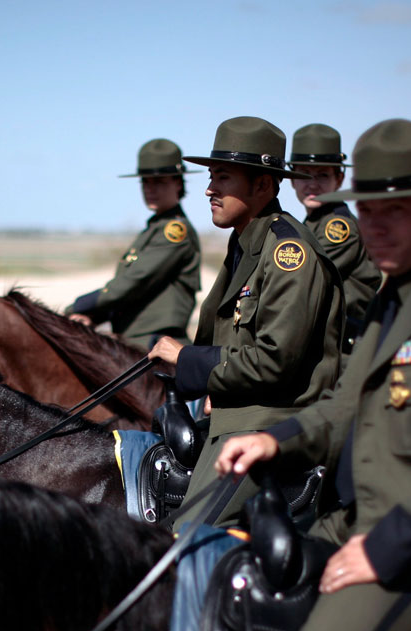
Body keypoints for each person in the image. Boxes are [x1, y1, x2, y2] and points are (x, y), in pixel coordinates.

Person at [213, 118, 411, 631]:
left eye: (396, 211)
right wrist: (274, 439)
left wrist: (383, 548)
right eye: (368, 211)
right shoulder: (393, 301)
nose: (376, 227)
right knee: (242, 590)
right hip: (357, 517)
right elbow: (343, 408)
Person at [146, 117, 344, 529]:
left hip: (273, 422)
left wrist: (187, 359)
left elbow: (274, 360)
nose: (209, 189)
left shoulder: (288, 253)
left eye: (224, 178)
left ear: (262, 186)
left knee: (185, 539)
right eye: (210, 176)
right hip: (237, 413)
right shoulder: (246, 241)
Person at [65, 138, 202, 349]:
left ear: (178, 182)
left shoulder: (174, 233)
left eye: (160, 182)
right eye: (145, 182)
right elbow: (132, 295)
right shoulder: (152, 230)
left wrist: (75, 306)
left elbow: (132, 283)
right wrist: (93, 317)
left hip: (156, 344)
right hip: (133, 342)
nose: (150, 189)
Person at [288, 123, 382, 352]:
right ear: (291, 179)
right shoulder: (313, 222)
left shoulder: (338, 227)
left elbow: (306, 279)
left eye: (322, 175)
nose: (312, 184)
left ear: (339, 179)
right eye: (304, 174)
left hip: (343, 351)